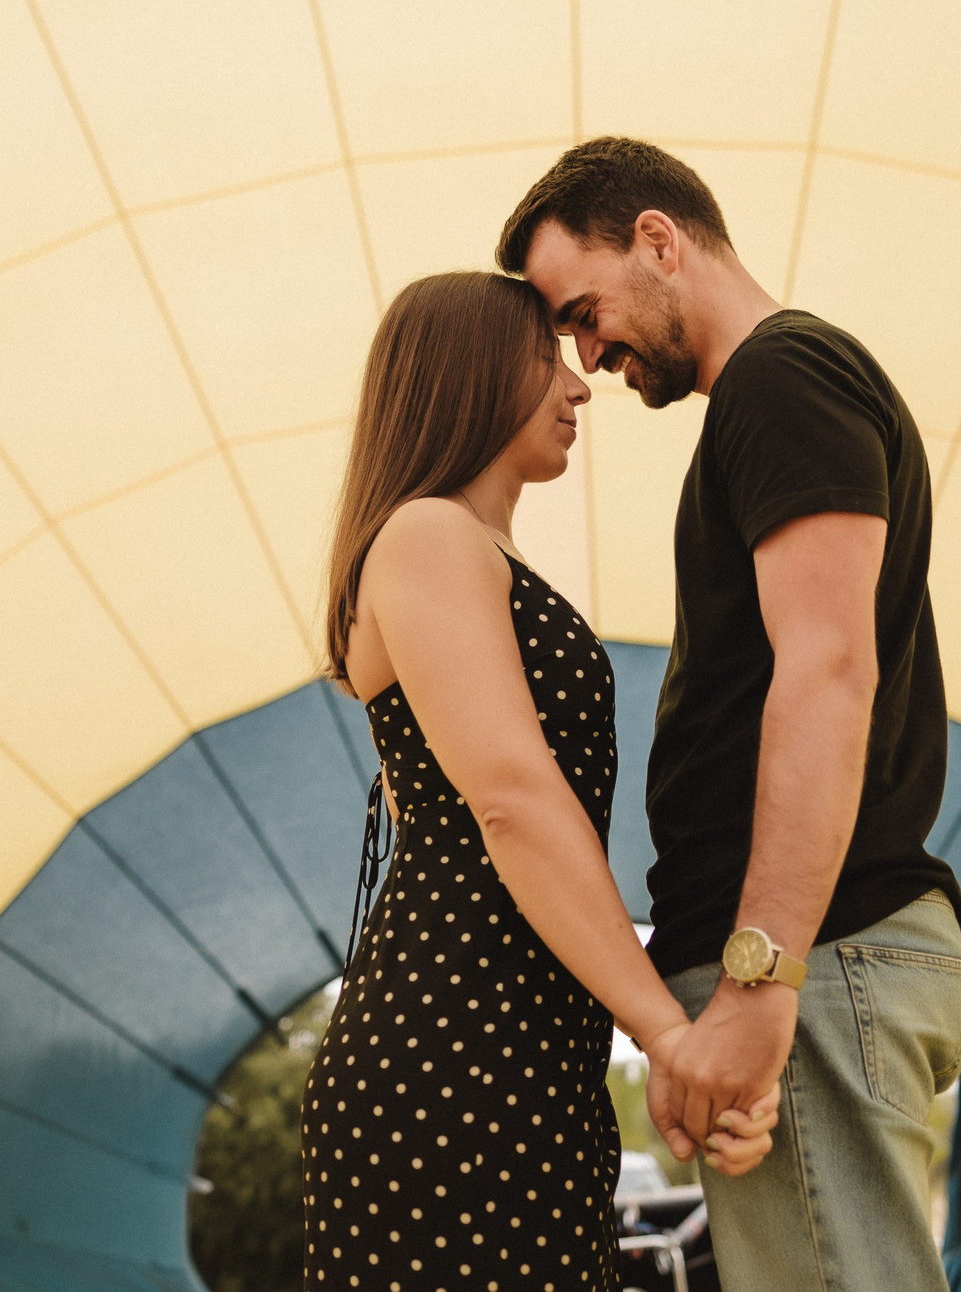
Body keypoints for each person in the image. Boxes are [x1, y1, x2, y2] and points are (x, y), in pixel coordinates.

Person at [498, 139, 961, 1291]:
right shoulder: (763, 402)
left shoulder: (784, 377)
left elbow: (827, 669)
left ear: (659, 239)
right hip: (813, 966)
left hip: (817, 964)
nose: (587, 350)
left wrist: (761, 983)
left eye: (585, 309)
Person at [300, 271, 779, 1291]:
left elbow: (433, 785)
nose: (580, 385)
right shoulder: (428, 534)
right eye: (546, 357)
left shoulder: (461, 549)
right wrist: (664, 1033)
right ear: (471, 373)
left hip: (518, 1044)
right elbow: (511, 799)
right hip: (454, 1046)